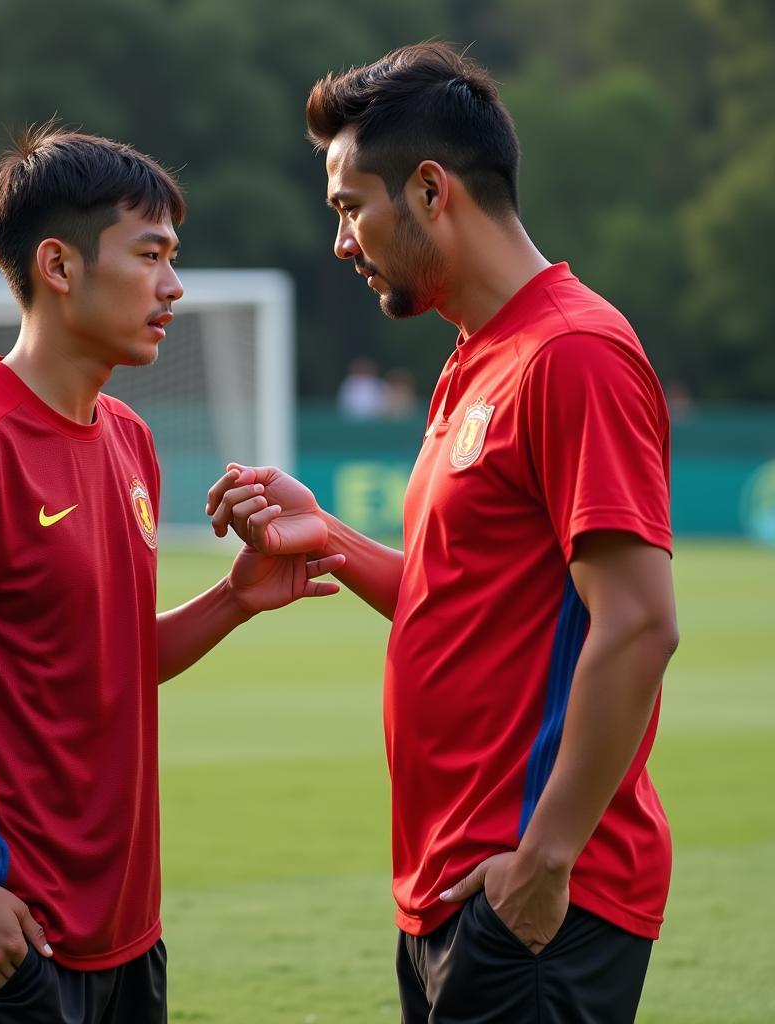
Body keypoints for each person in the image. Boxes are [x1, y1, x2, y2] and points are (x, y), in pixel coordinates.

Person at [0, 125, 344, 1024]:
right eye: (150, 255)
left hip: (125, 934)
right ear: (59, 266)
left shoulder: (130, 440)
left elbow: (102, 660)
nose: (172, 286)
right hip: (2, 935)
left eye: (173, 258)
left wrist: (232, 600)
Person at [207, 41, 678, 1024]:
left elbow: (635, 624)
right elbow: (454, 596)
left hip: (540, 896)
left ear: (429, 190)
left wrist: (544, 862)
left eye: (348, 205)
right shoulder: (476, 359)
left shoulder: (573, 354)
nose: (340, 240)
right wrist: (325, 536)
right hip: (457, 888)